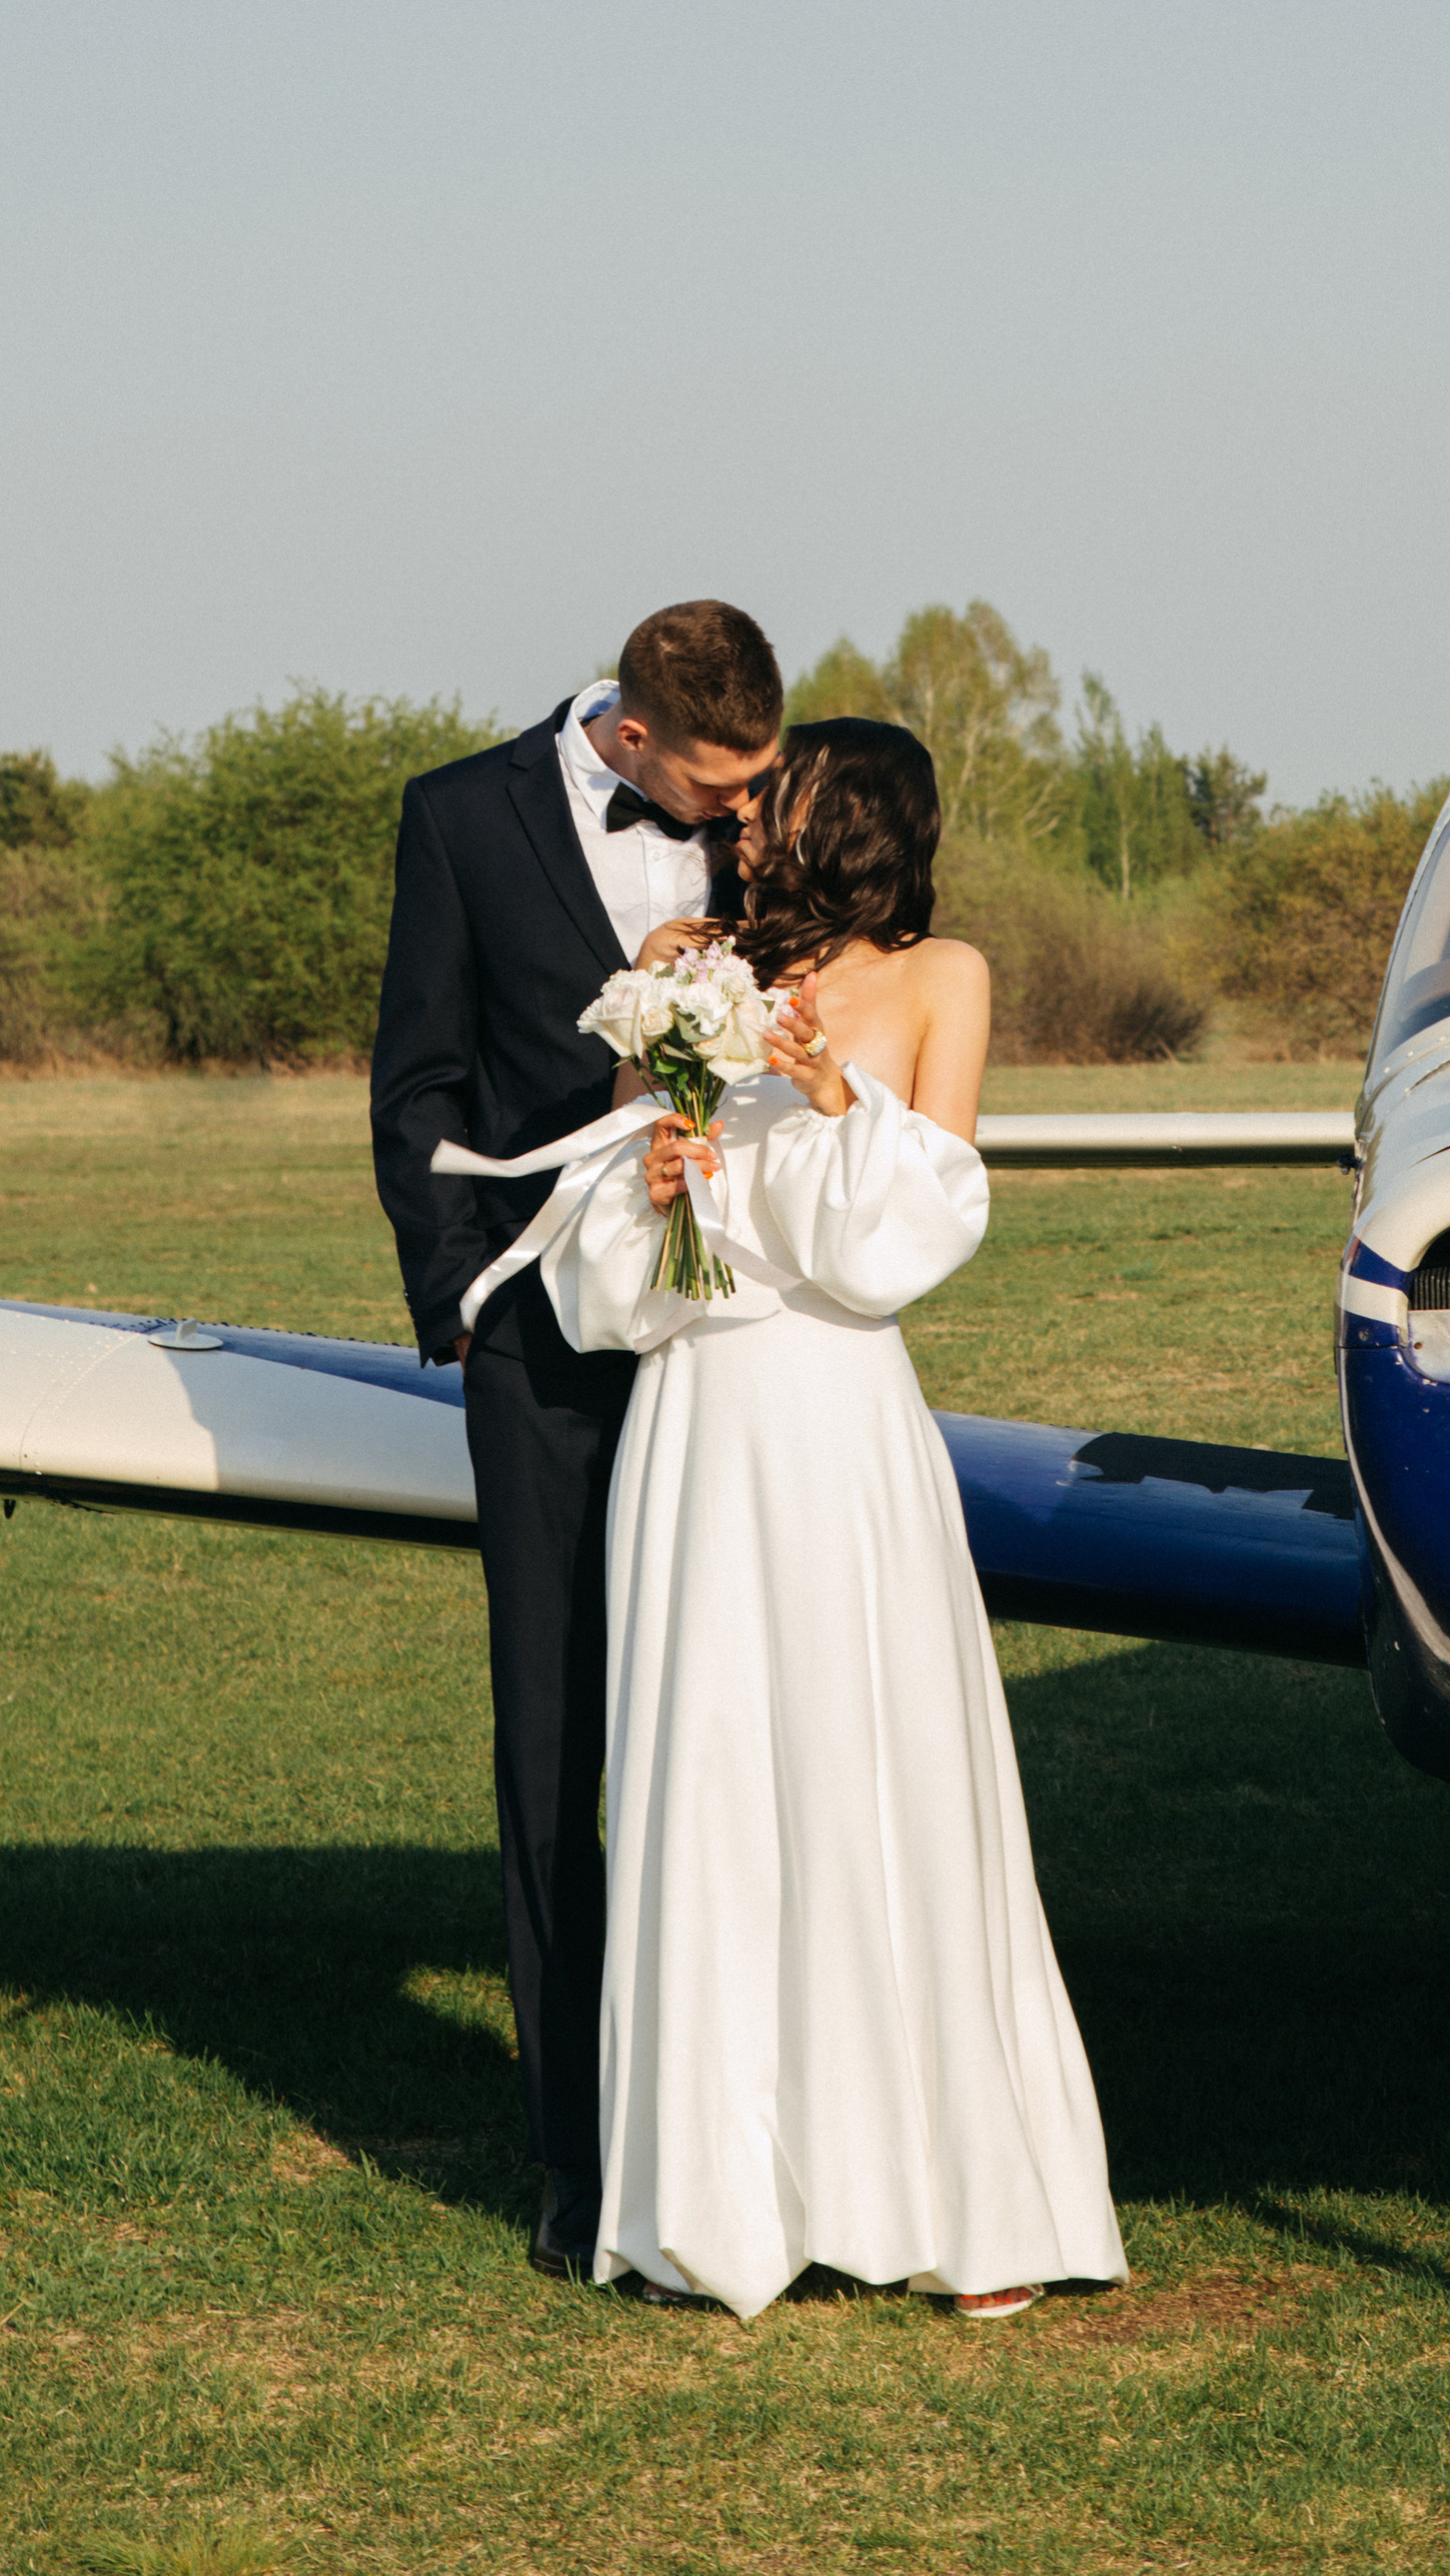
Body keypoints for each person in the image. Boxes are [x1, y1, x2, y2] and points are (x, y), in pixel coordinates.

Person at [460, 715, 1127, 2321]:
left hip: (838, 1426)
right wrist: (657, 1181)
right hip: (699, 1426)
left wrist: (834, 1096)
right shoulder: (683, 959)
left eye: (785, 802)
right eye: (749, 805)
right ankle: (721, 2205)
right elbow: (601, 1264)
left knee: (872, 1771)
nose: (749, 826)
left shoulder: (941, 979)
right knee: (717, 1779)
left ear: (866, 818)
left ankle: (961, 2205)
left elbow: (922, 1232)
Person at [369, 601, 786, 2282]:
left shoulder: (772, 829)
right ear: (630, 739)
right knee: (552, 1736)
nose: (738, 817)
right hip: (538, 1343)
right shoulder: (457, 817)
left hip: (730, 1345)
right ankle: (571, 2152)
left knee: (727, 1730)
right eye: (713, 784)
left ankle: (744, 2129)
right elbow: (419, 1079)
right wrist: (464, 1297)